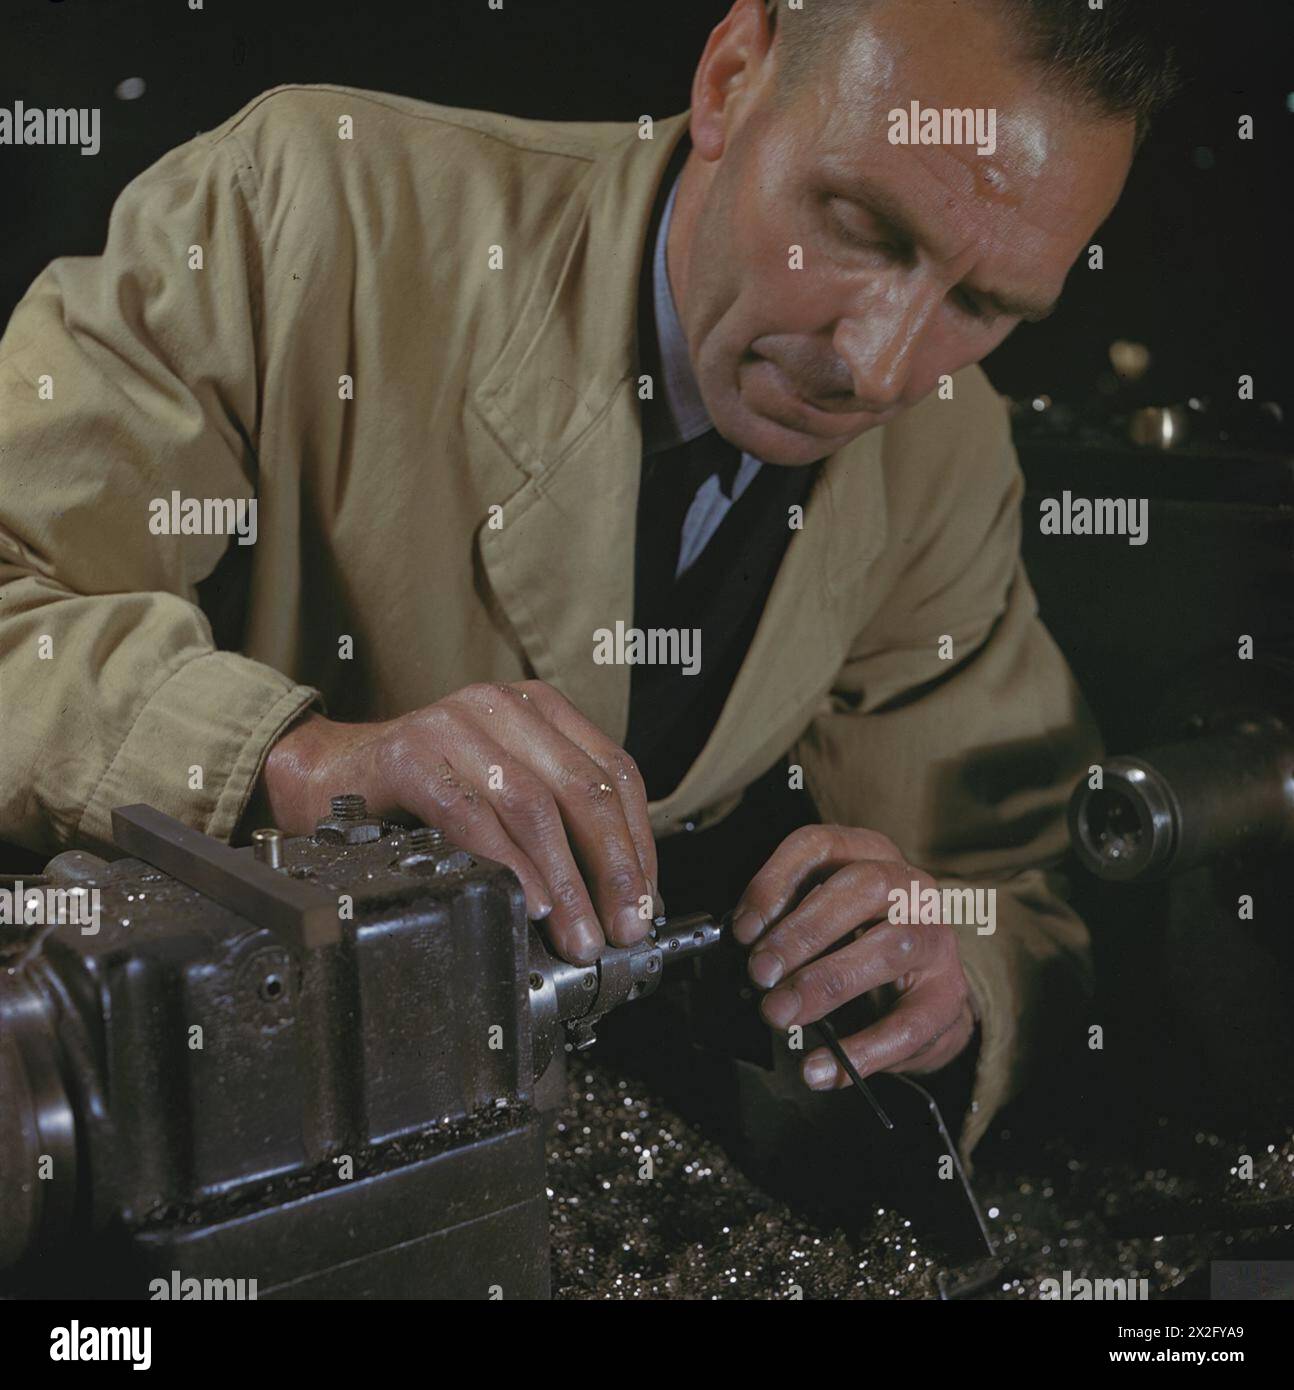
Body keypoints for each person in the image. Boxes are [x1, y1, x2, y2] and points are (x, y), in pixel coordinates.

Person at [0, 0, 1178, 1159]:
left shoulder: (946, 441)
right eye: (860, 226)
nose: (877, 366)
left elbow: (1024, 877)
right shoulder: (308, 206)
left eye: (981, 305)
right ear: (731, 78)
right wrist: (305, 762)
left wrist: (950, 968)